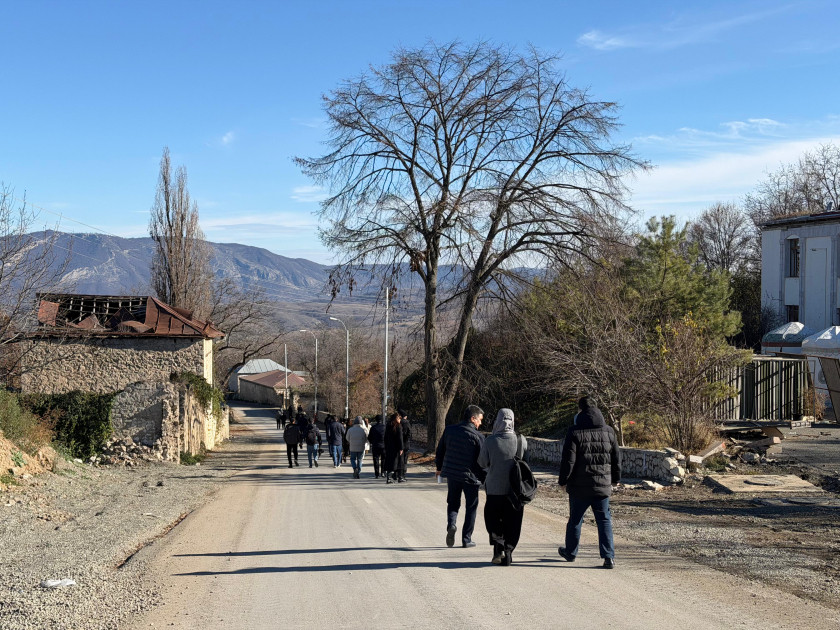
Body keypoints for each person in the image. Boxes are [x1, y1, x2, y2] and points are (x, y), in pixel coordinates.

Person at [557, 396, 621, 569]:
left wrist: (563, 481)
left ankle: (570, 552)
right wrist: (615, 479)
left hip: (579, 487)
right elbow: (616, 458)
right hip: (602, 486)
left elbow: (568, 460)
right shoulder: (609, 431)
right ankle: (608, 557)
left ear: (580, 410)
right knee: (604, 520)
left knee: (575, 520)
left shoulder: (574, 431)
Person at [477, 408, 527, 566]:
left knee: (493, 519)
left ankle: (498, 549)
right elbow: (526, 464)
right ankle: (509, 551)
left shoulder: (490, 441)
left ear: (497, 421)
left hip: (494, 489)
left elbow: (482, 463)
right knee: (513, 521)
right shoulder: (521, 440)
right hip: (515, 490)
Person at [435, 405, 485, 548]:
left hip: (452, 474)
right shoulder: (478, 437)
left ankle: (452, 524)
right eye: (479, 420)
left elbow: (440, 450)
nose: (480, 423)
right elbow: (482, 461)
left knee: (453, 503)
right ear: (472, 418)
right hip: (471, 478)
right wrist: (485, 479)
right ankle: (466, 539)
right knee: (471, 507)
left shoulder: (450, 430)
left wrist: (439, 468)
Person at [383, 413, 404, 484]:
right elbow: (400, 438)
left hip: (389, 447)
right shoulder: (398, 426)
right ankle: (393, 476)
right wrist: (401, 448)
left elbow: (385, 437)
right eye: (399, 418)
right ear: (396, 419)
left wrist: (386, 446)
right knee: (396, 462)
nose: (400, 420)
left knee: (390, 462)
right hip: (396, 447)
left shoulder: (388, 426)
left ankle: (389, 477)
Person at [397, 407, 411, 482]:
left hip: (397, 444)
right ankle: (402, 475)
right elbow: (409, 434)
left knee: (398, 459)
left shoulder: (397, 422)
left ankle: (396, 474)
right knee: (404, 460)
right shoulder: (406, 422)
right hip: (405, 444)